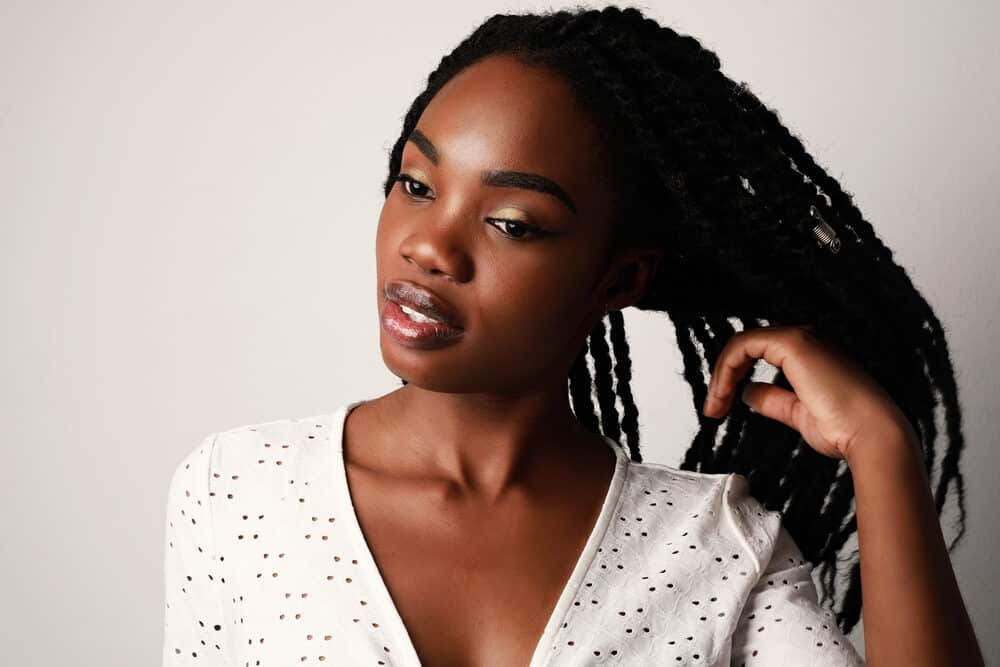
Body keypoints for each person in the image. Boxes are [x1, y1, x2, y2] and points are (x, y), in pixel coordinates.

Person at [161, 5, 984, 665]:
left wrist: (882, 449)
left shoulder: (714, 546)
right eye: (415, 183)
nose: (428, 245)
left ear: (620, 279)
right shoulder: (239, 493)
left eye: (512, 223)